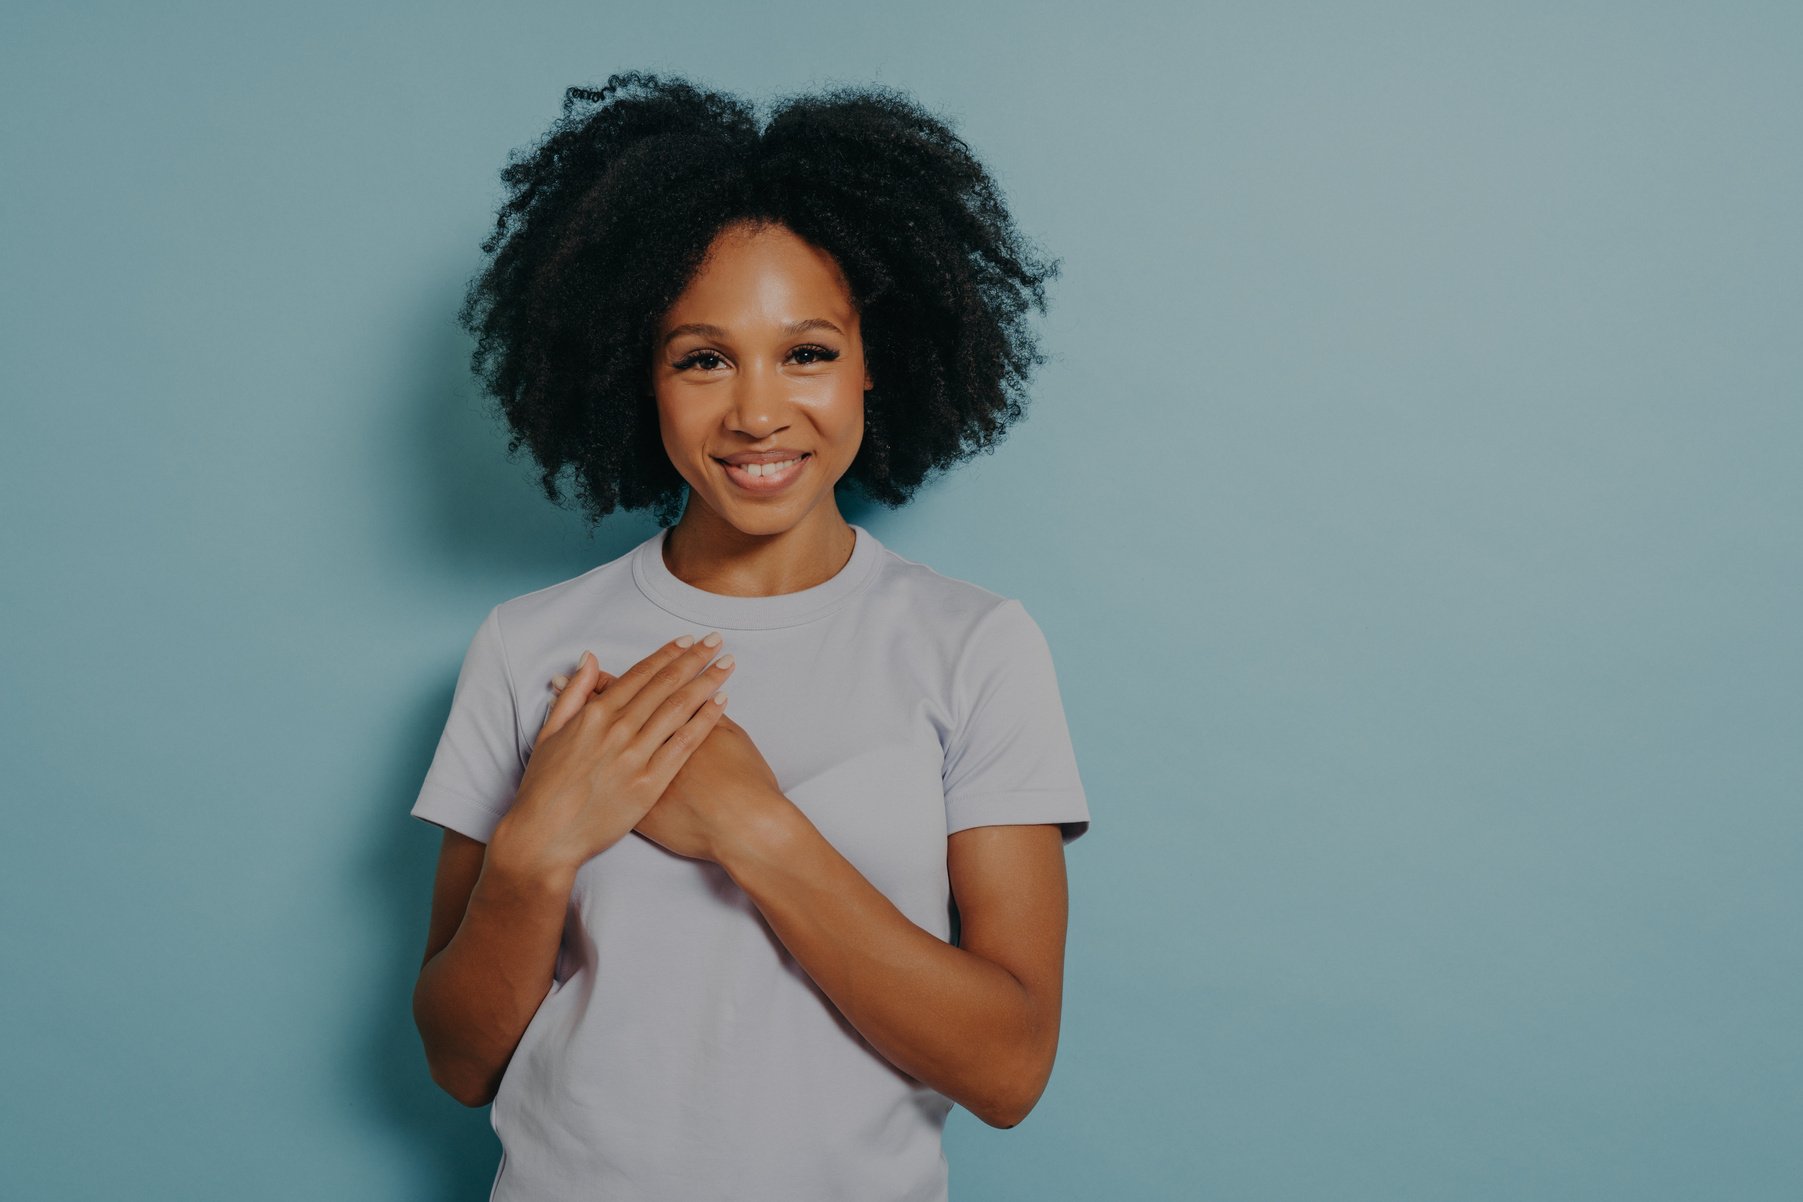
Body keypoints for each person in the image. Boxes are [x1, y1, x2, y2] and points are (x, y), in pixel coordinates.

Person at [409, 71, 1091, 1202]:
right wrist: (537, 845)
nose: (758, 410)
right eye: (703, 357)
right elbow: (458, 1056)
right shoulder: (529, 644)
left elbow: (1010, 1066)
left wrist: (753, 826)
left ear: (879, 359)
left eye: (808, 351)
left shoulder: (975, 645)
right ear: (642, 375)